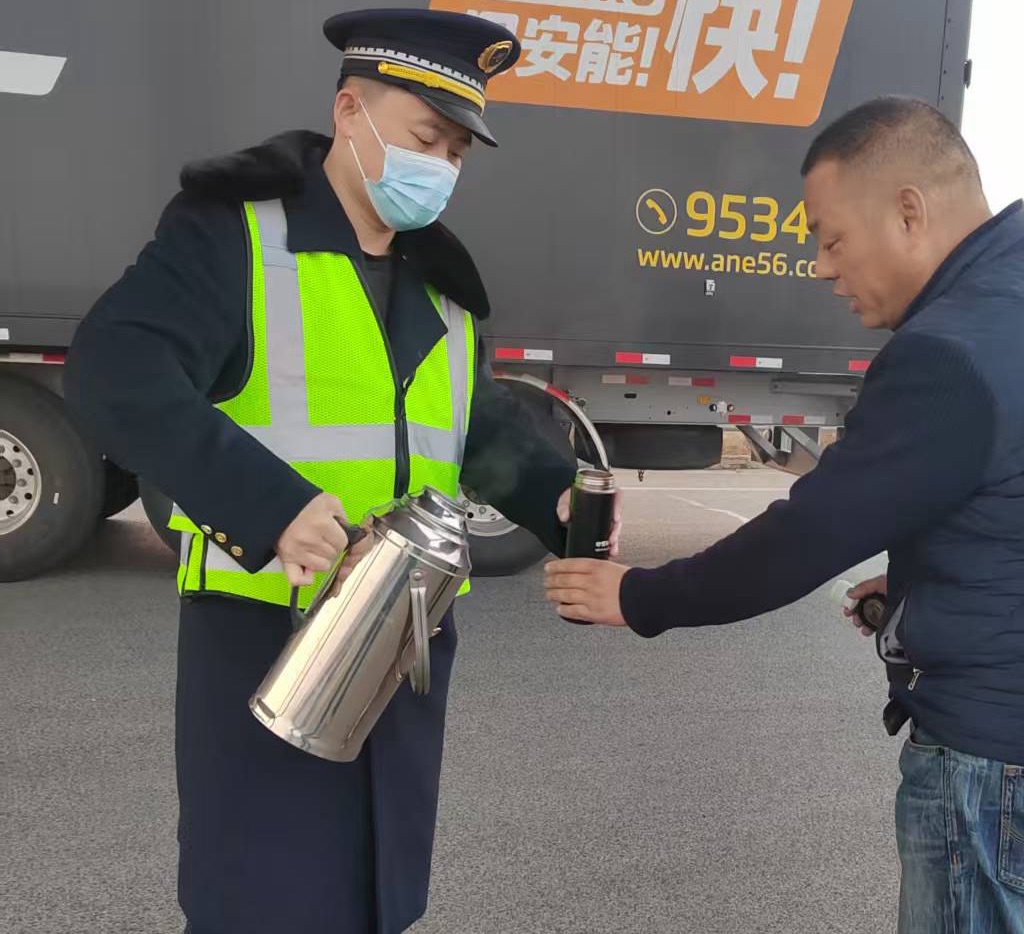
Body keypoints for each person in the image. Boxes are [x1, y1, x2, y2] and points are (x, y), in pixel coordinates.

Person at [64, 9, 619, 934]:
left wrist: (554, 495)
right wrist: (271, 505)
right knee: (262, 896)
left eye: (457, 152)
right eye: (425, 138)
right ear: (349, 111)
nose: (440, 167)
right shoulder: (234, 236)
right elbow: (113, 371)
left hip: (408, 639)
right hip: (269, 632)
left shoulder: (442, 284)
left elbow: (469, 422)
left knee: (377, 890)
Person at [543, 97, 1024, 934]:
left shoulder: (951, 349)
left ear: (908, 211)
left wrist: (639, 595)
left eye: (831, 240)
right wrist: (925, 582)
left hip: (998, 759)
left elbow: (805, 536)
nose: (820, 268)